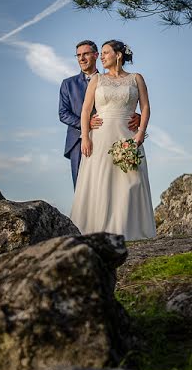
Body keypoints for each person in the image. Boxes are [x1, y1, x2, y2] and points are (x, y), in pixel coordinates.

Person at [69, 39, 157, 240]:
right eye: (101, 53)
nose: (102, 56)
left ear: (118, 55)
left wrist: (141, 133)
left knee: (130, 180)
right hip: (100, 137)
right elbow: (85, 110)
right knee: (102, 180)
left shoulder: (136, 78)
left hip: (128, 136)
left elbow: (145, 107)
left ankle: (130, 229)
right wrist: (85, 137)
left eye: (106, 52)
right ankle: (97, 230)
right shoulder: (97, 80)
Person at [59, 40, 140, 190]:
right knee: (82, 189)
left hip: (111, 137)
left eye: (85, 54)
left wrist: (138, 117)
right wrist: (86, 124)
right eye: (78, 55)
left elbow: (122, 103)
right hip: (78, 141)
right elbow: (63, 113)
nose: (81, 58)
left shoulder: (110, 80)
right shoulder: (67, 84)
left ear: (96, 55)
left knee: (112, 186)